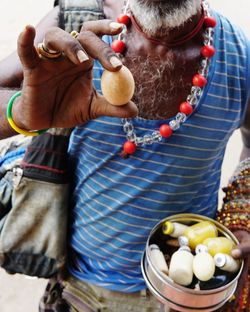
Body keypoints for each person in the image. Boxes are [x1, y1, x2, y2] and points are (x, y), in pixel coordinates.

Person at [0, 0, 249, 311]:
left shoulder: (240, 57)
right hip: (80, 293)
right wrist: (21, 113)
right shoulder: (73, 30)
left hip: (186, 293)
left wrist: (242, 213)